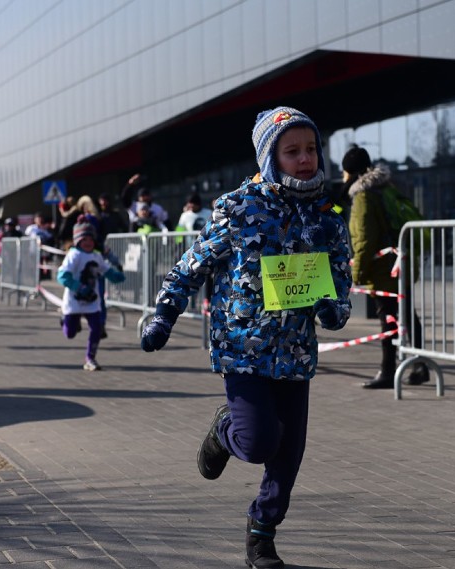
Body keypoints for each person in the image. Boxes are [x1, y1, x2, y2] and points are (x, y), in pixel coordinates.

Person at [140, 106, 351, 568]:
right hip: (243, 348)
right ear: (268, 156)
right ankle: (224, 429)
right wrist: (164, 315)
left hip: (295, 353)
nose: (305, 159)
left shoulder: (328, 214)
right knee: (258, 442)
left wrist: (334, 308)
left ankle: (262, 537)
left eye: (311, 149)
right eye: (292, 151)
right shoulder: (240, 207)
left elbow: (340, 276)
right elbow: (192, 264)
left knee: (288, 455)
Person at [344, 145, 429, 389]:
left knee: (388, 320)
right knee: (408, 316)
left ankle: (388, 371)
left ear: (350, 172)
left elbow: (364, 240)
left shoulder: (363, 197)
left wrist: (357, 274)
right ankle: (421, 366)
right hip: (403, 263)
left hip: (383, 270)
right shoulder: (388, 188)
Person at [57, 216, 125, 371]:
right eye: (84, 239)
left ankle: (90, 358)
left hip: (92, 300)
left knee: (97, 328)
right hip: (74, 300)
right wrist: (78, 287)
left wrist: (117, 276)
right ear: (77, 240)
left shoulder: (96, 255)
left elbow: (105, 270)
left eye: (90, 239)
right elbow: (62, 276)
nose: (88, 242)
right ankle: (64, 320)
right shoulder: (74, 255)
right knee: (70, 334)